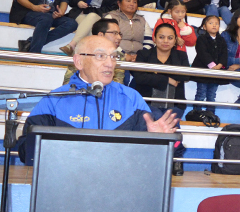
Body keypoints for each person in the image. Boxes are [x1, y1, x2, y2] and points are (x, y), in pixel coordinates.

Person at [17, 35, 178, 165]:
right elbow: (27, 153)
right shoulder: (54, 101)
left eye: (114, 57)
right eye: (101, 56)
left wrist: (158, 141)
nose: (110, 63)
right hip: (67, 185)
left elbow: (158, 154)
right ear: (78, 61)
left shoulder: (131, 98)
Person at [130, 23, 190, 174]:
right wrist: (167, 80)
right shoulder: (144, 54)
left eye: (170, 38)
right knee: (162, 118)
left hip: (174, 102)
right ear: (154, 39)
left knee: (171, 116)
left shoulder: (181, 56)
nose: (165, 41)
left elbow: (185, 75)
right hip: (149, 103)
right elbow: (139, 76)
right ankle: (177, 156)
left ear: (175, 40)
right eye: (161, 37)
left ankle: (173, 158)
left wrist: (155, 73)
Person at [61, 17, 124, 85]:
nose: (119, 38)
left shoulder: (119, 55)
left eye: (119, 34)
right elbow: (69, 82)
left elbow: (118, 82)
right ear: (101, 35)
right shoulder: (83, 51)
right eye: (114, 33)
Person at [189, 15, 228, 116]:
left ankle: (210, 114)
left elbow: (224, 54)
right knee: (201, 93)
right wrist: (212, 65)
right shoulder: (201, 39)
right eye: (211, 23)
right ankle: (197, 113)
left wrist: (220, 65)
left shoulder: (222, 40)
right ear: (204, 27)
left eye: (217, 23)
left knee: (211, 95)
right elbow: (202, 53)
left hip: (216, 73)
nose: (214, 25)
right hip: (203, 72)